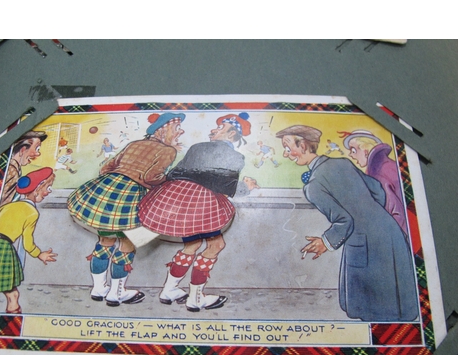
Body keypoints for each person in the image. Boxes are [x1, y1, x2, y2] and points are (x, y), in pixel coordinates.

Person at [277, 124, 419, 322]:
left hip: (365, 245)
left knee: (373, 310)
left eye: (287, 147)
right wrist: (369, 215)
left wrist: (325, 242)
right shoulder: (343, 163)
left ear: (303, 145)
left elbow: (344, 221)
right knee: (397, 303)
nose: (285, 154)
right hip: (390, 232)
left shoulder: (313, 186)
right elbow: (377, 190)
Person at [67, 112, 185, 306]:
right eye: (177, 128)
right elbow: (150, 177)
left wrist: (121, 176)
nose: (180, 132)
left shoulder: (134, 144)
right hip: (131, 197)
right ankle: (117, 292)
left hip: (107, 192)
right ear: (164, 130)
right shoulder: (168, 151)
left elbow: (105, 168)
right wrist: (168, 180)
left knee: (105, 241)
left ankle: (98, 288)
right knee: (127, 243)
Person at [139, 113, 251, 312]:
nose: (213, 130)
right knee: (216, 244)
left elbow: (173, 174)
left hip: (176, 196)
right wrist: (247, 187)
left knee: (192, 244)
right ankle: (196, 298)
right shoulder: (234, 157)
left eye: (220, 127)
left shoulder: (197, 147)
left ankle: (169, 290)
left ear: (232, 133)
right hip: (200, 202)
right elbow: (226, 187)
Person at [0, 168, 58, 314]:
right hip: (3, 249)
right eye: (47, 188)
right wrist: (39, 254)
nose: (48, 192)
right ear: (37, 188)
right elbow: (28, 243)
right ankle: (13, 319)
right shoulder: (32, 212)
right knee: (12, 294)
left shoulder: (8, 206)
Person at [340, 129, 408, 234]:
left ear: (365, 150)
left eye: (353, 150)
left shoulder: (378, 174)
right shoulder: (388, 165)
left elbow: (396, 215)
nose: (350, 155)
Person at [0, 130, 47, 207]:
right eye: (36, 149)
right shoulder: (12, 171)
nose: (38, 153)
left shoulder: (13, 168)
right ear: (23, 150)